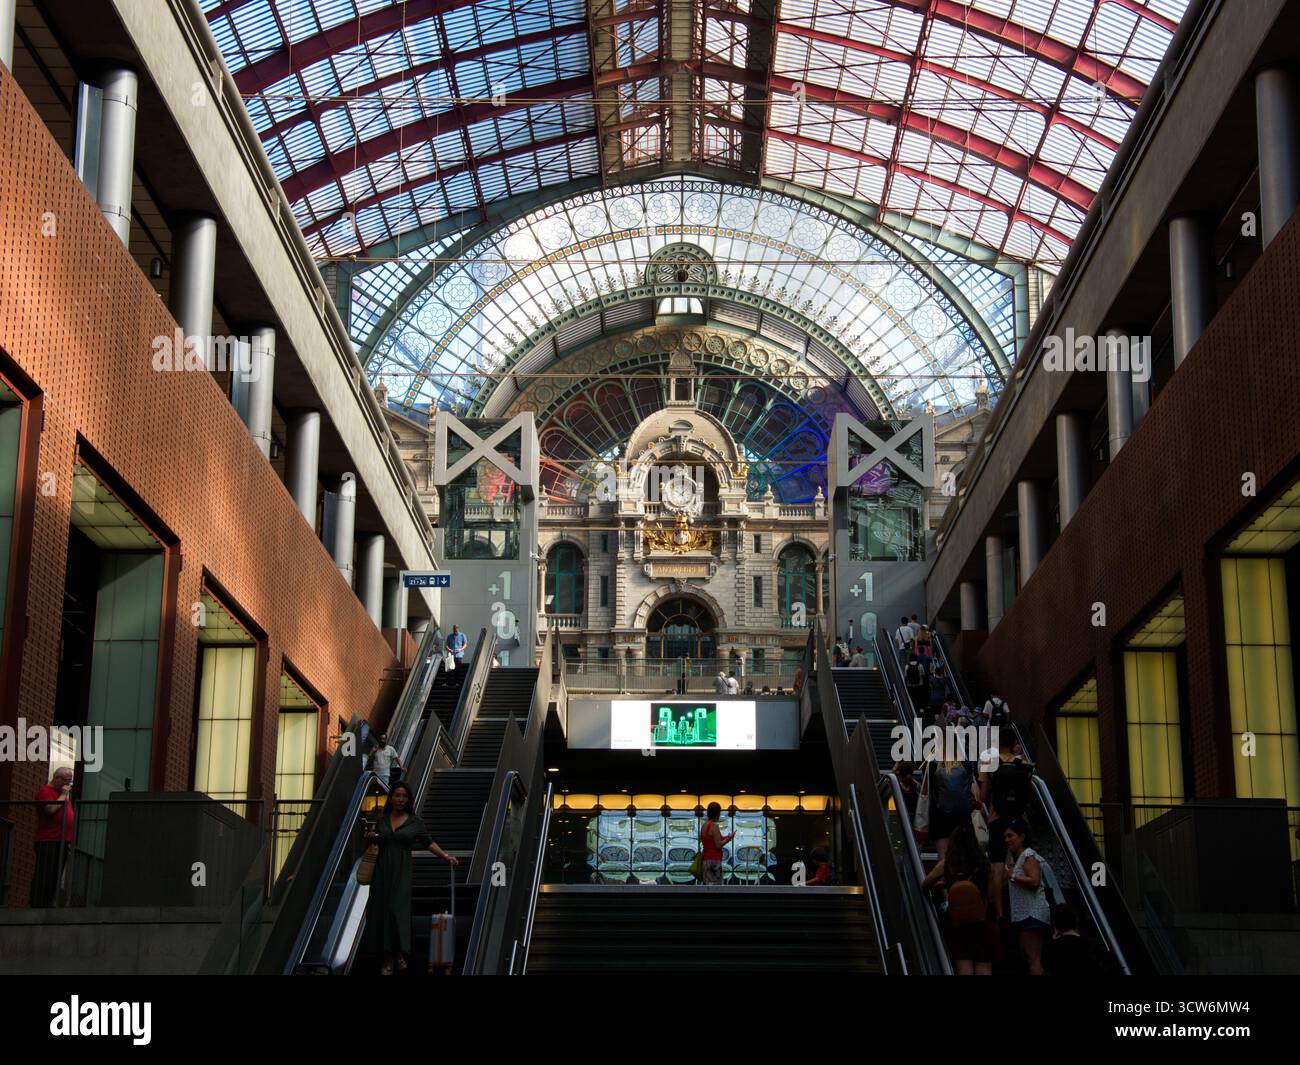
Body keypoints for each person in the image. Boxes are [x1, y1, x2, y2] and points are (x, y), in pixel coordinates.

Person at [364, 780, 458, 974]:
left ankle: (398, 952)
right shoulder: (383, 819)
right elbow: (375, 837)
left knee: (396, 910)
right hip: (382, 871)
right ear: (391, 798)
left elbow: (428, 842)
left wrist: (445, 857)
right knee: (381, 911)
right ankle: (388, 958)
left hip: (402, 869)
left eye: (404, 796)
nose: (400, 799)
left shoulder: (414, 822)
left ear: (409, 800)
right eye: (397, 795)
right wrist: (372, 836)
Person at [921, 824, 998, 975]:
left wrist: (946, 884)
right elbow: (991, 894)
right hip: (983, 920)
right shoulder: (984, 863)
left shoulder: (948, 863)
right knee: (984, 967)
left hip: (958, 921)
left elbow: (925, 884)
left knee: (964, 966)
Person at [981, 732, 1034, 917]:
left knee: (996, 865)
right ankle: (1023, 908)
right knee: (1022, 861)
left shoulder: (989, 762)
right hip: (1018, 820)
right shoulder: (1024, 765)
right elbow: (1028, 796)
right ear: (1013, 744)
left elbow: (982, 795)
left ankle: (1000, 914)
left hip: (996, 819)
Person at [1003, 818, 1050, 975]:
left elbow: (1035, 880)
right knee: (1030, 957)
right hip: (1026, 914)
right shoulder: (1019, 858)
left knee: (1034, 958)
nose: (1007, 840)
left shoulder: (1028, 856)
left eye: (1011, 836)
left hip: (1032, 914)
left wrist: (1013, 876)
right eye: (1005, 837)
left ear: (1022, 836)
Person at [31, 766, 75, 907]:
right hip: (48, 840)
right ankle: (38, 903)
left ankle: (50, 901)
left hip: (62, 841)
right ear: (57, 778)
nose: (68, 785)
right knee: (45, 873)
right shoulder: (46, 791)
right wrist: (62, 796)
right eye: (66, 781)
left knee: (56, 875)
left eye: (70, 782)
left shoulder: (62, 794)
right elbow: (49, 810)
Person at [928, 758, 979, 861]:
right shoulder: (965, 764)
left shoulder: (933, 765)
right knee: (964, 855)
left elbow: (928, 791)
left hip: (940, 816)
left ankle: (943, 875)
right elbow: (971, 788)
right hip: (963, 817)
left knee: (944, 856)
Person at [1043, 903, 1103, 975]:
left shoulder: (1050, 948)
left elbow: (1047, 967)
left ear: (1055, 924)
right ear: (1076, 921)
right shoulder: (1090, 944)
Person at [699, 802, 734, 885]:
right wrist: (729, 839)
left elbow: (711, 840)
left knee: (707, 884)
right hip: (714, 860)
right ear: (717, 813)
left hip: (705, 859)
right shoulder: (714, 826)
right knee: (716, 885)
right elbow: (718, 845)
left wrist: (726, 837)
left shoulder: (704, 826)